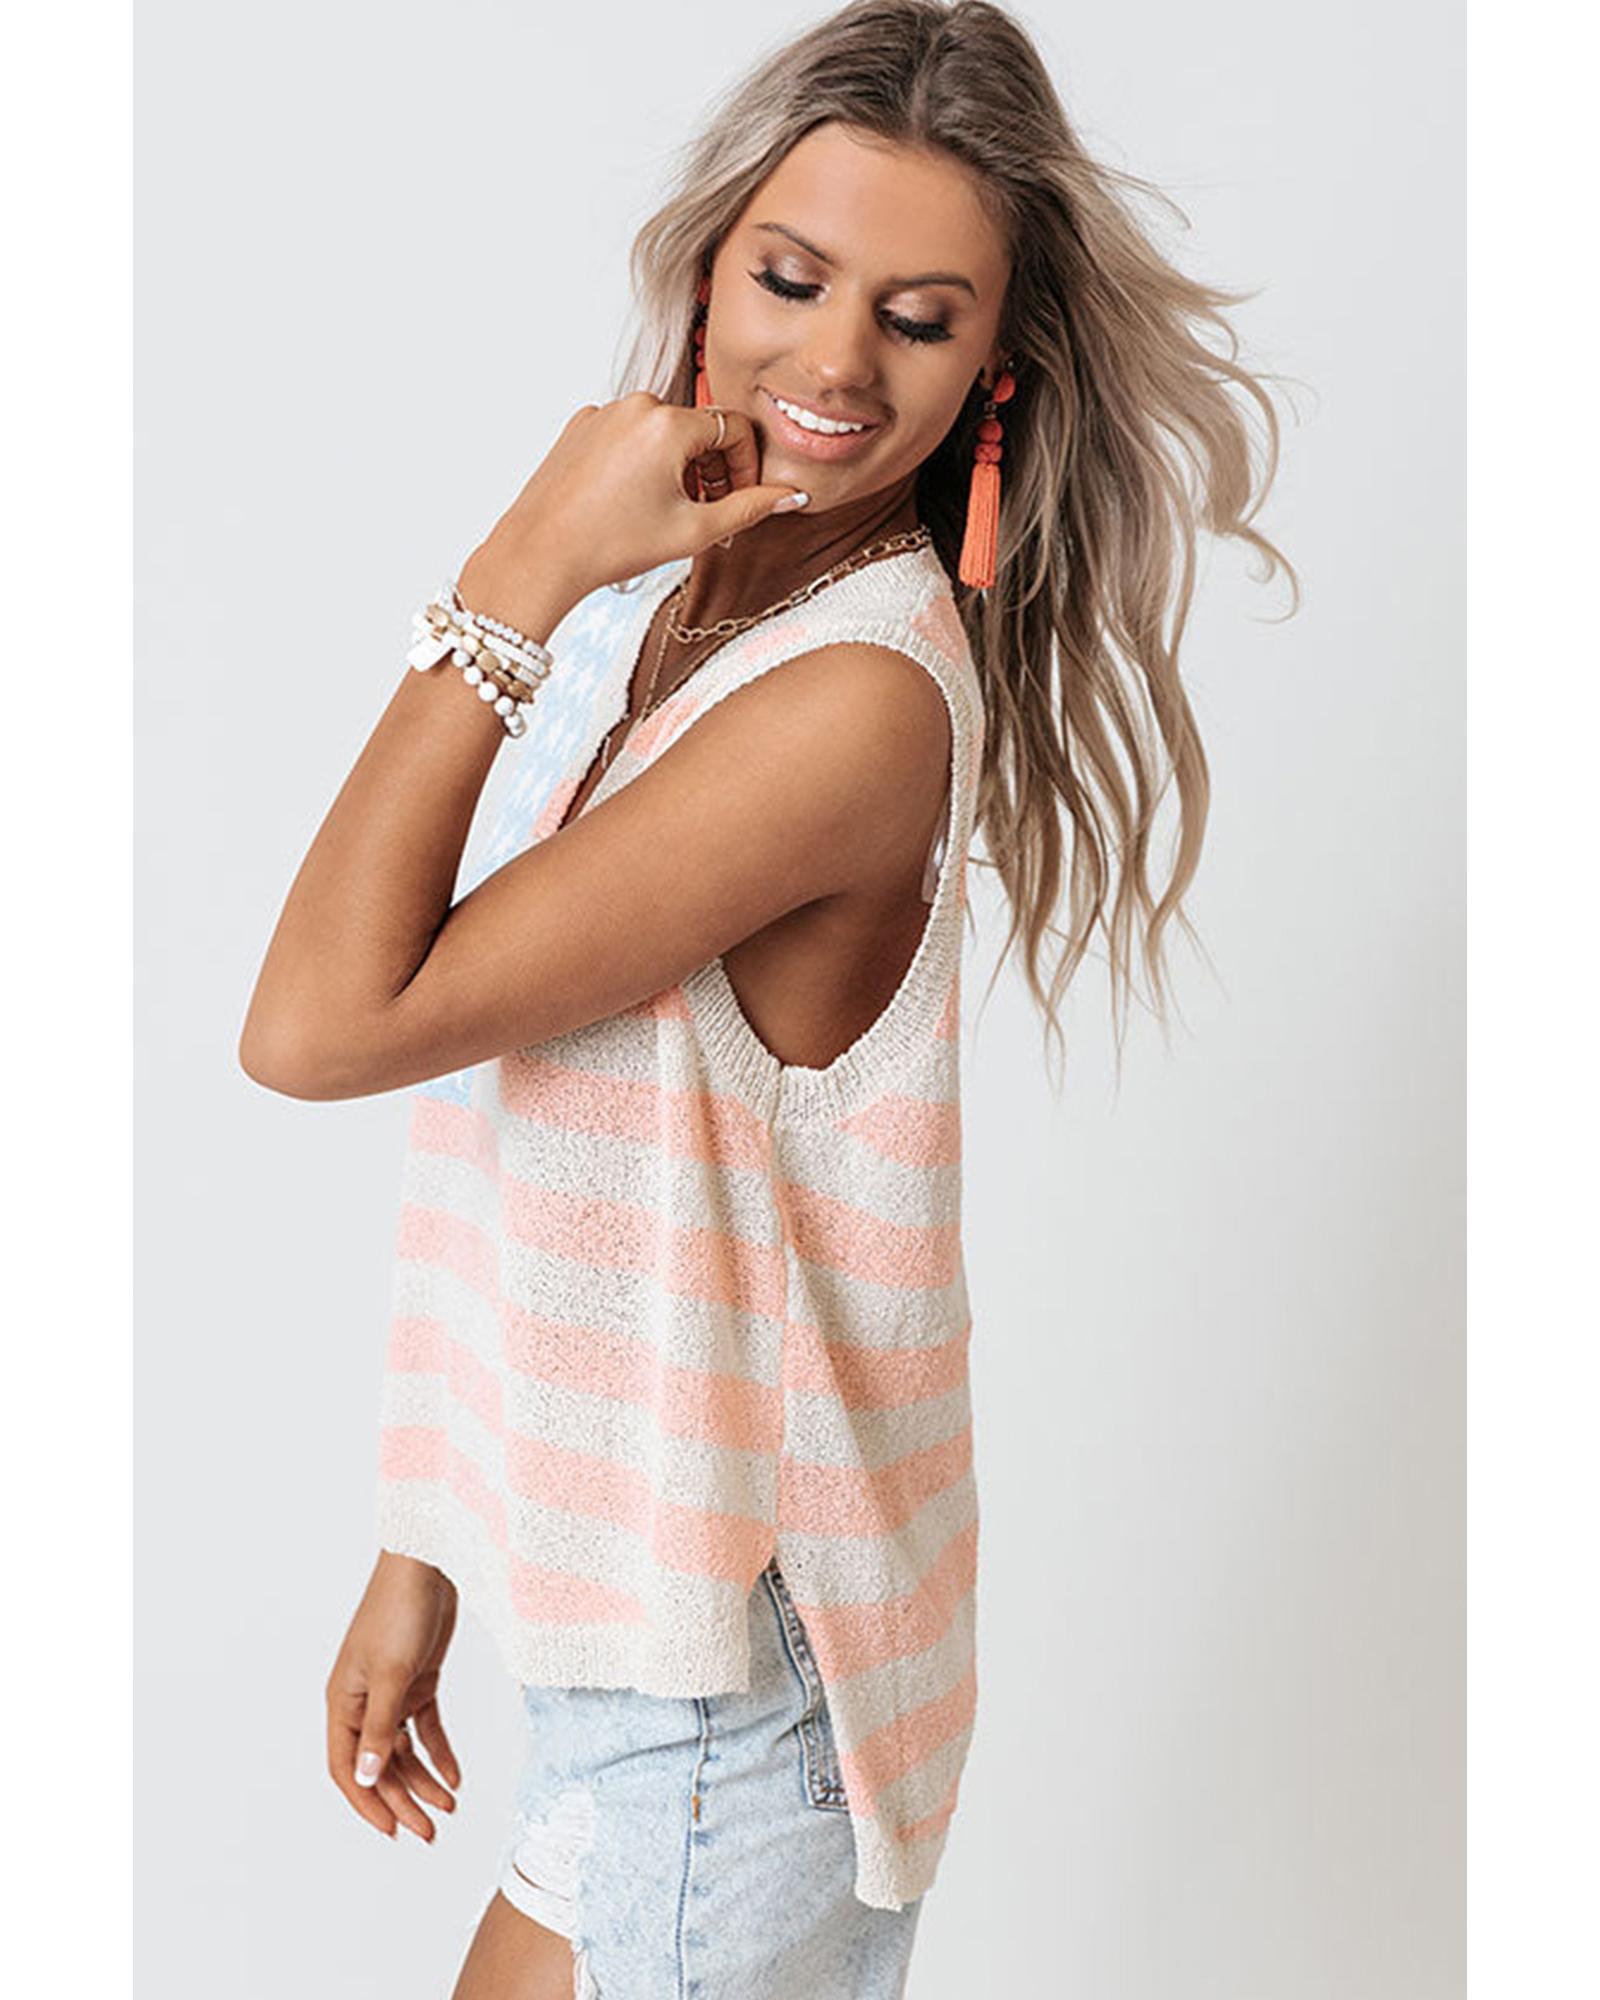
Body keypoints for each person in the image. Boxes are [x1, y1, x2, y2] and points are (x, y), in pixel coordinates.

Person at [238, 3, 1297, 1993]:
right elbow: (534, 1115)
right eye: (792, 280)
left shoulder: (851, 703)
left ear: (995, 368)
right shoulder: (672, 605)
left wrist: (518, 555)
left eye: (917, 317)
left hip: (734, 1698)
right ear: (711, 262)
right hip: (638, 1645)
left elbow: (319, 1027)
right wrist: (428, 1540)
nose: (831, 364)